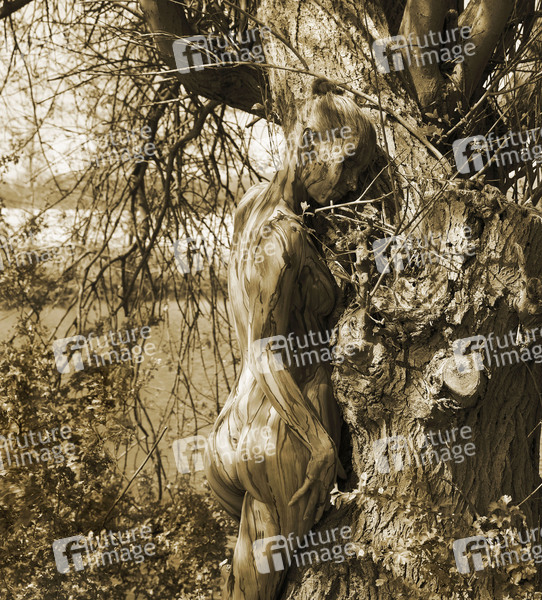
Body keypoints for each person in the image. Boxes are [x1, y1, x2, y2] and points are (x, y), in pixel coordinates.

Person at [205, 77, 376, 600]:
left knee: (249, 588)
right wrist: (319, 442)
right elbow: (266, 351)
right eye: (349, 166)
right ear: (318, 149)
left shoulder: (250, 207)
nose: (351, 184)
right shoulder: (287, 235)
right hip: (285, 437)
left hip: (238, 425)